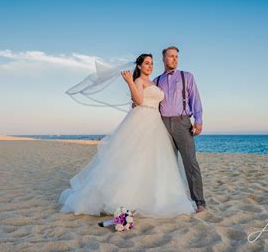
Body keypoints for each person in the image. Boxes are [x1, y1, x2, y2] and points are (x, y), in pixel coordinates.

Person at [59, 53, 196, 218]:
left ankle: (150, 196)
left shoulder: (153, 82)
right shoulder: (138, 80)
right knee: (134, 159)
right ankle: (122, 198)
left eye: (151, 63)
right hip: (142, 118)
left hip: (155, 121)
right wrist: (130, 82)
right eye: (146, 63)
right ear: (139, 66)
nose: (150, 66)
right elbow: (138, 100)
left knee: (151, 160)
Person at [153, 46, 207, 213]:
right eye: (171, 56)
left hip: (183, 123)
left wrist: (198, 120)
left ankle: (199, 202)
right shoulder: (156, 81)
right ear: (163, 59)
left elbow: (195, 99)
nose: (175, 59)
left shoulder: (187, 77)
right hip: (161, 124)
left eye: (176, 56)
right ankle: (169, 200)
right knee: (167, 164)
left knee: (190, 162)